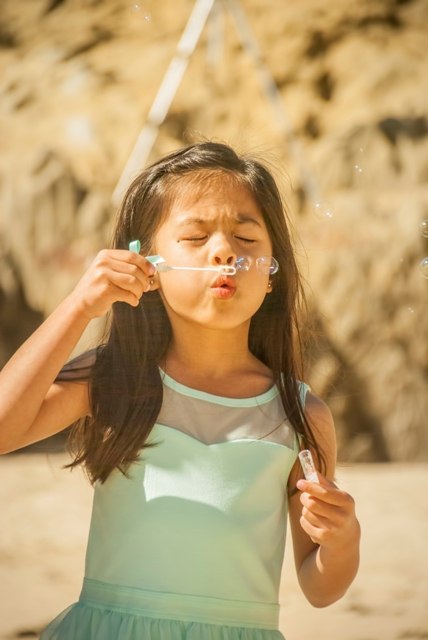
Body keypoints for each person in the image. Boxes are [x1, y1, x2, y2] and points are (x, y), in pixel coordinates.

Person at [0, 142, 360, 639]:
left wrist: (342, 540)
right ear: (145, 264)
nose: (224, 251)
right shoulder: (117, 378)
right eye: (195, 235)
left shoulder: (301, 414)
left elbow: (321, 588)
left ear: (273, 273)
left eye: (246, 237)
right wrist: (79, 306)